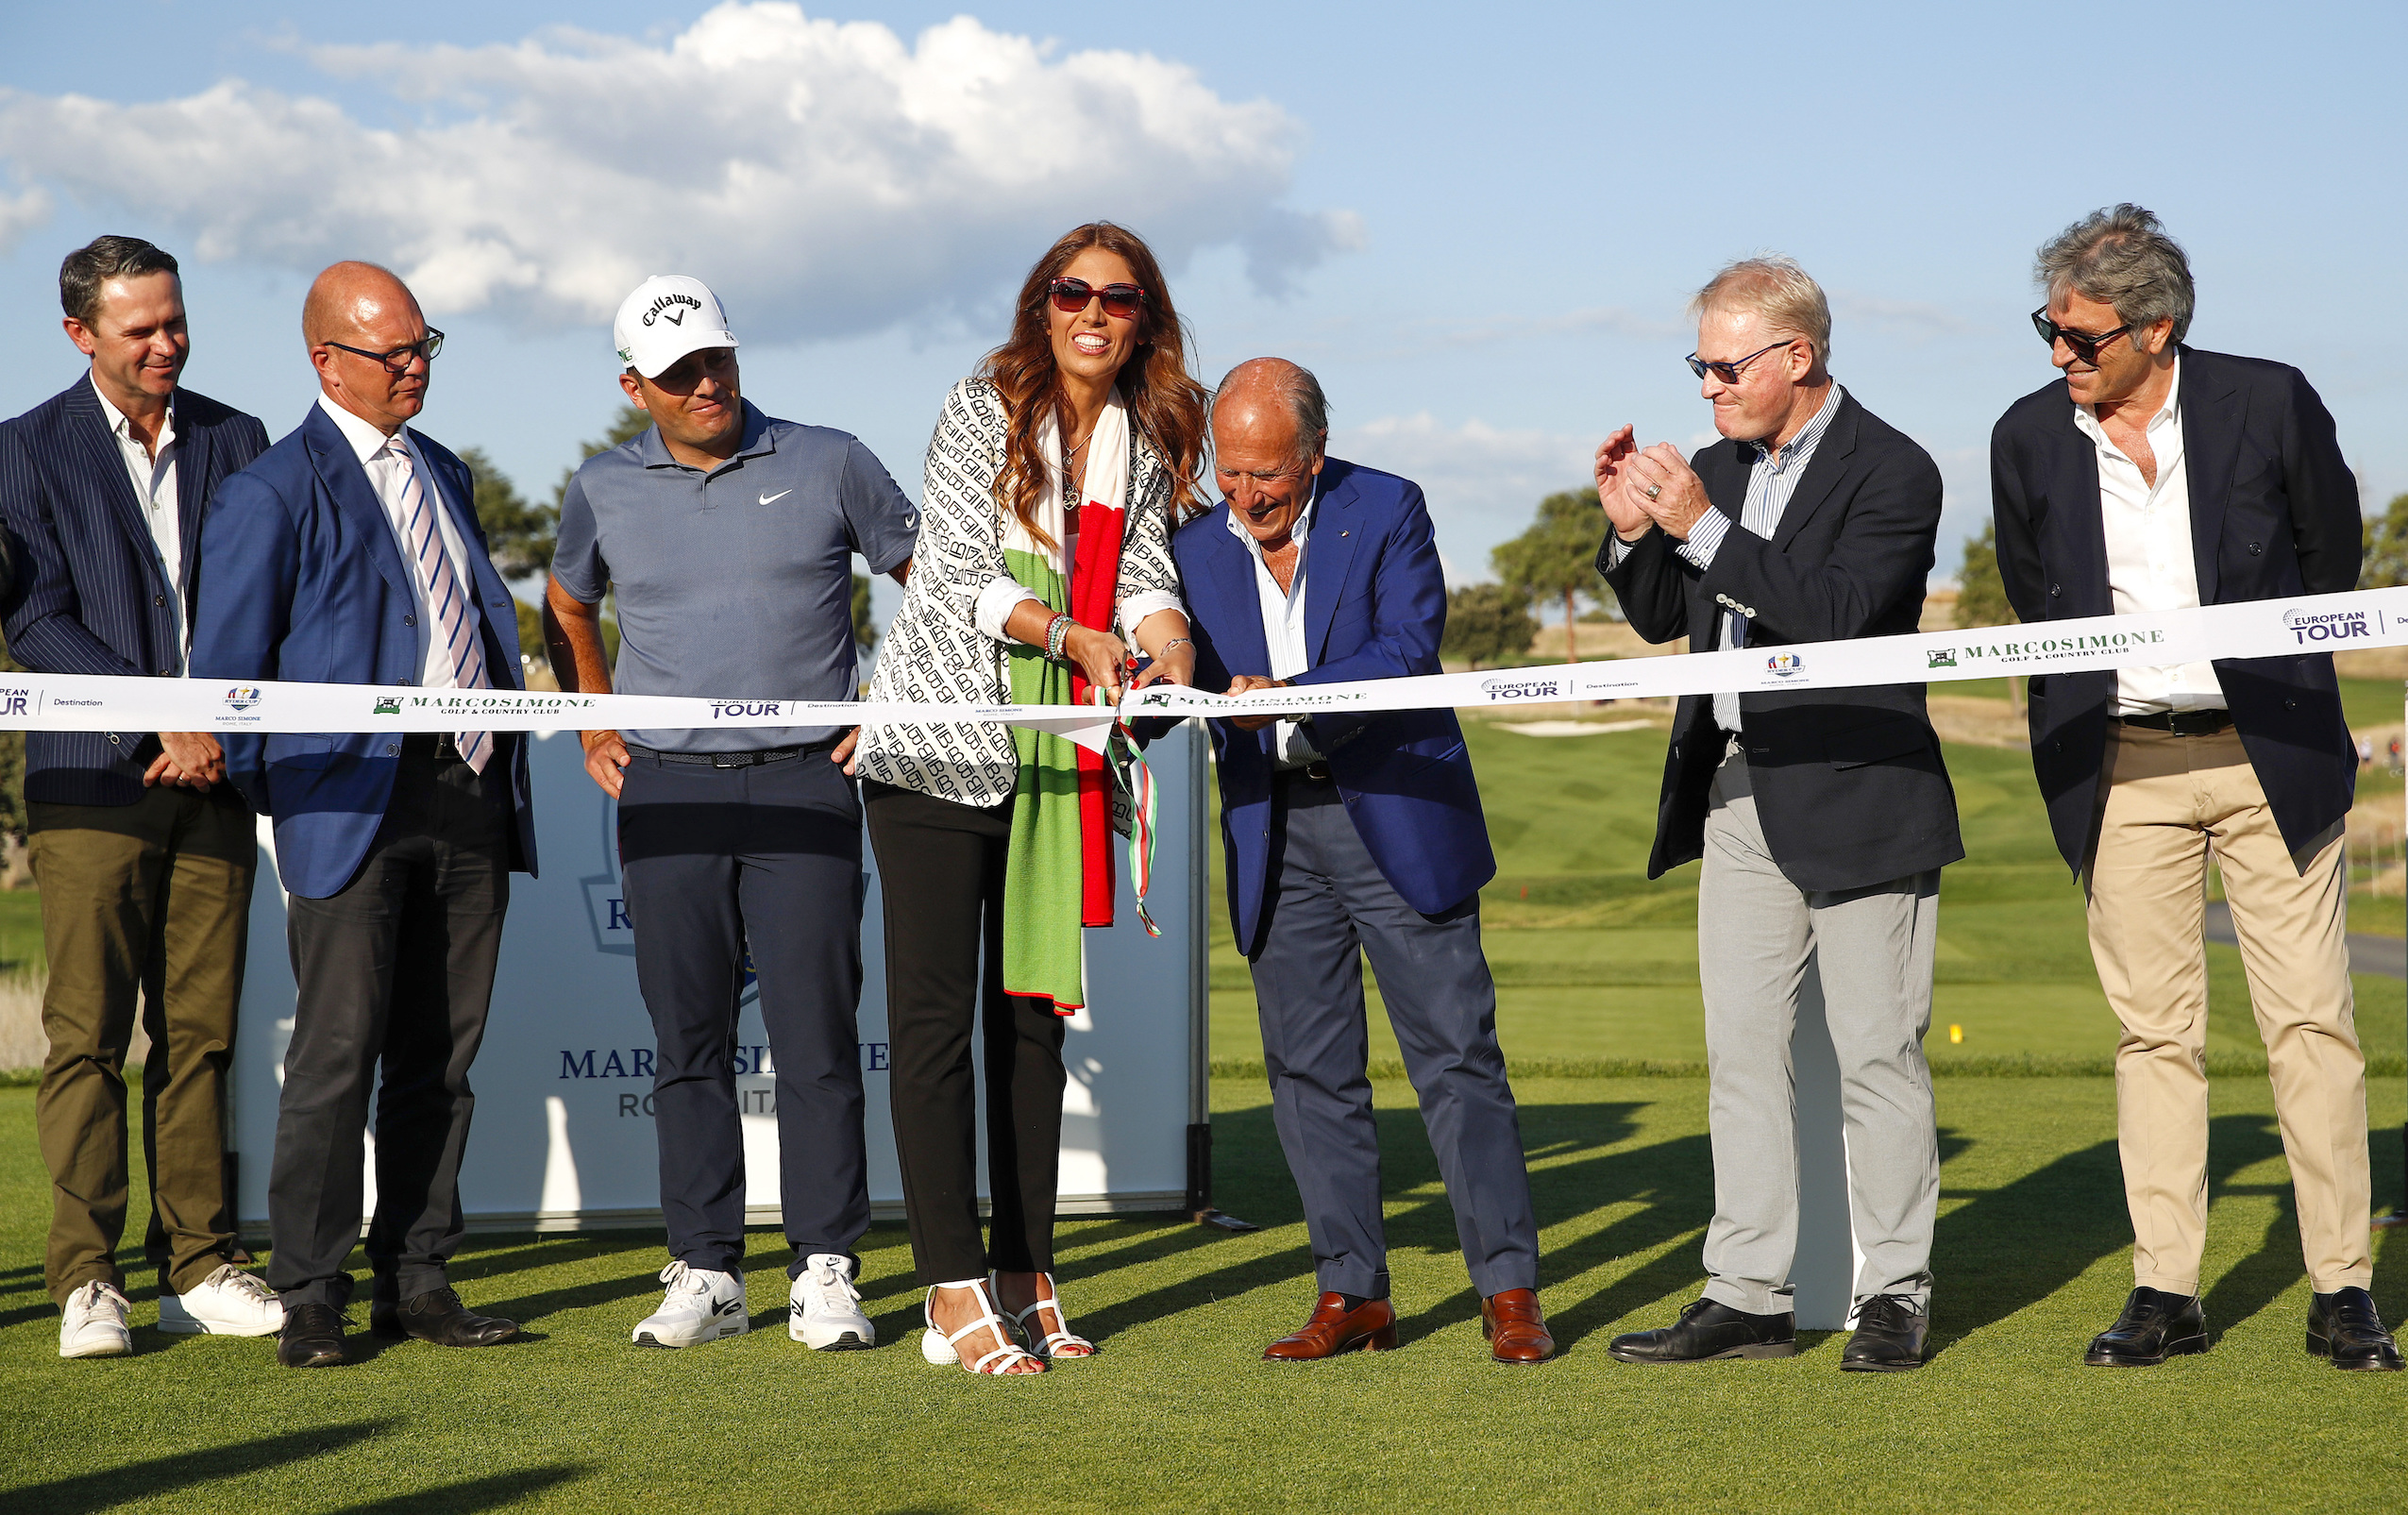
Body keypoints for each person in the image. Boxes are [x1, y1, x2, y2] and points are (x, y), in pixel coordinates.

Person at [1991, 205, 2399, 1372]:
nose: (2060, 357)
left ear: (2157, 329)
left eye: (2082, 338)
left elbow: (2331, 565)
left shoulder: (2266, 399)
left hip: (2268, 751)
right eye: (2049, 332)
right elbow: (2037, 598)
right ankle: (2164, 1289)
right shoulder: (2024, 437)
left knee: (2311, 1023)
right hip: (2120, 765)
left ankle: (2342, 1289)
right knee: (2151, 1035)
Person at [850, 222, 1202, 1376]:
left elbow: (1146, 569)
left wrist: (1169, 644)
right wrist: (1067, 631)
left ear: (1143, 317)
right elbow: (951, 578)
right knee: (934, 1029)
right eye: (1071, 292)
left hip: (1057, 758)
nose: (1092, 313)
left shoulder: (1144, 445)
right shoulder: (978, 406)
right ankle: (950, 1290)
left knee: (1030, 1024)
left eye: (1117, 297)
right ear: (1040, 306)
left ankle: (1024, 1273)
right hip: (944, 748)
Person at [1597, 256, 1960, 1372]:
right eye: (1697, 367)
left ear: (1796, 357)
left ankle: (1891, 1293)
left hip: (1858, 792)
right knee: (1741, 1054)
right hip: (1737, 795)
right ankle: (1748, 1292)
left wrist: (1700, 527)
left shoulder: (1894, 468)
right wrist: (1627, 533)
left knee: (1874, 1055)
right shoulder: (1713, 466)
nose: (1706, 387)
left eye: (1724, 366)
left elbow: (1843, 617)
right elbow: (1666, 613)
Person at [543, 276, 917, 1352]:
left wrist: (887, 703)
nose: (706, 385)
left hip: (807, 778)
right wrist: (592, 718)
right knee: (687, 1035)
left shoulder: (828, 456)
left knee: (815, 1034)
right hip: (667, 785)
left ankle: (827, 1267)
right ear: (635, 387)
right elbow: (569, 600)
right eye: (677, 375)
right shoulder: (600, 487)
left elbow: (922, 574)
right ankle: (706, 1267)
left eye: (716, 360)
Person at [189, 261, 537, 1369]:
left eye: (425, 342)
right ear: (325, 359)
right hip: (343, 801)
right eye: (393, 352)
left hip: (470, 788)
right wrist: (287, 793)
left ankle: (419, 1277)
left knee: (442, 1056)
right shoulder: (270, 489)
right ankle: (310, 1290)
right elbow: (226, 681)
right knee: (336, 1057)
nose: (416, 364)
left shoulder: (446, 471)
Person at [1178, 357, 1554, 1366]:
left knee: (1457, 1062)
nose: (1247, 496)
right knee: (1309, 1075)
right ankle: (1351, 1293)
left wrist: (1287, 689)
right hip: (1273, 827)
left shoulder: (1387, 507)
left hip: (1394, 815)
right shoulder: (1190, 548)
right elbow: (1179, 663)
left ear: (1314, 454)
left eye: (1268, 474)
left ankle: (1508, 1289)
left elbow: (1407, 646)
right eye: (1230, 472)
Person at [0, 235, 275, 1358]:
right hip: (89, 786)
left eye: (175, 320)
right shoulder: (22, 448)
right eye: (139, 329)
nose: (167, 344)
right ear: (80, 334)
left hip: (215, 777)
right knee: (87, 1036)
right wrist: (157, 714)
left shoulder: (237, 437)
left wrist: (217, 729)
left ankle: (199, 1263)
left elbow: (262, 595)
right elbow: (36, 617)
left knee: (201, 1037)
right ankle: (87, 1279)